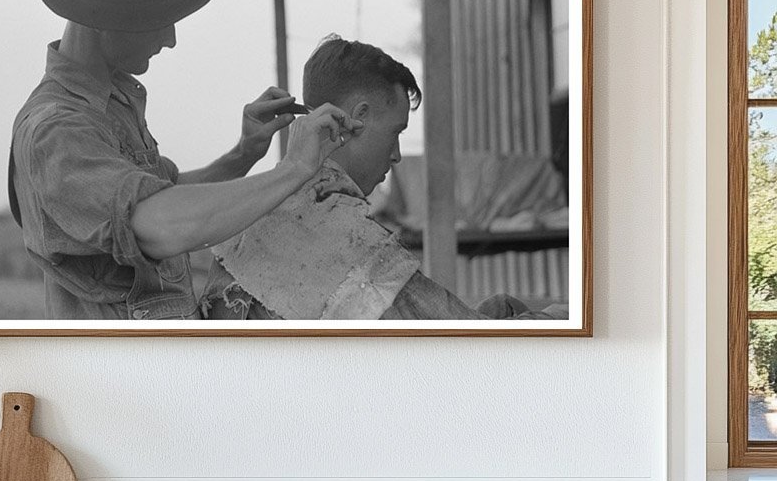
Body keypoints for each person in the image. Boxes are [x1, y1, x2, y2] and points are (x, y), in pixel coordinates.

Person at [9, 0, 360, 320]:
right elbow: (161, 226)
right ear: (105, 18)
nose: (170, 38)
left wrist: (243, 154)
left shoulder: (113, 103)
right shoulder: (55, 131)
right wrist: (294, 168)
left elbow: (167, 200)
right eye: (161, 18)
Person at [208, 35, 566, 321]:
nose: (395, 155)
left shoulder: (242, 218)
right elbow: (468, 347)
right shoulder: (344, 231)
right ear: (357, 117)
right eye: (395, 132)